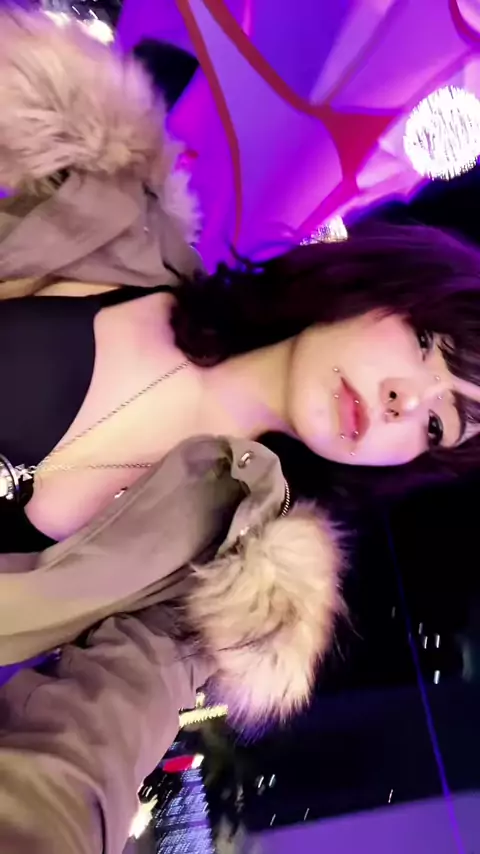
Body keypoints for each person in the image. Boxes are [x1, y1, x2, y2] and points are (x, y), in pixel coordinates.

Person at [0, 8, 480, 854]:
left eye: (439, 424)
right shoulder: (108, 200)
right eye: (425, 345)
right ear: (376, 288)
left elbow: (83, 755)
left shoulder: (228, 582)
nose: (405, 404)